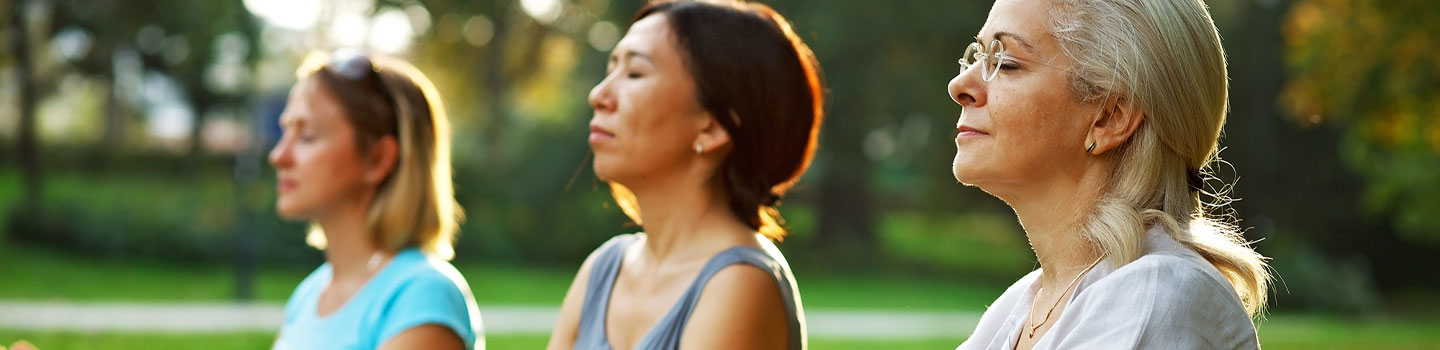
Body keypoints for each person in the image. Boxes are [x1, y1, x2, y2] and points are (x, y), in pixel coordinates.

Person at [946, 0, 1271, 348]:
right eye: (978, 56)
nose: (959, 85)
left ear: (1110, 118)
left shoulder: (1156, 297)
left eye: (1006, 64)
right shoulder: (1017, 308)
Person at [546, 1, 824, 349]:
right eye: (610, 68)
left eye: (634, 74)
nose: (598, 95)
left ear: (713, 127)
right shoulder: (603, 269)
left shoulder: (739, 282)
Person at [269, 50, 482, 350]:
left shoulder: (421, 296)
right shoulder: (310, 294)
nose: (278, 156)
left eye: (308, 137)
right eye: (285, 131)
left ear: (378, 159)